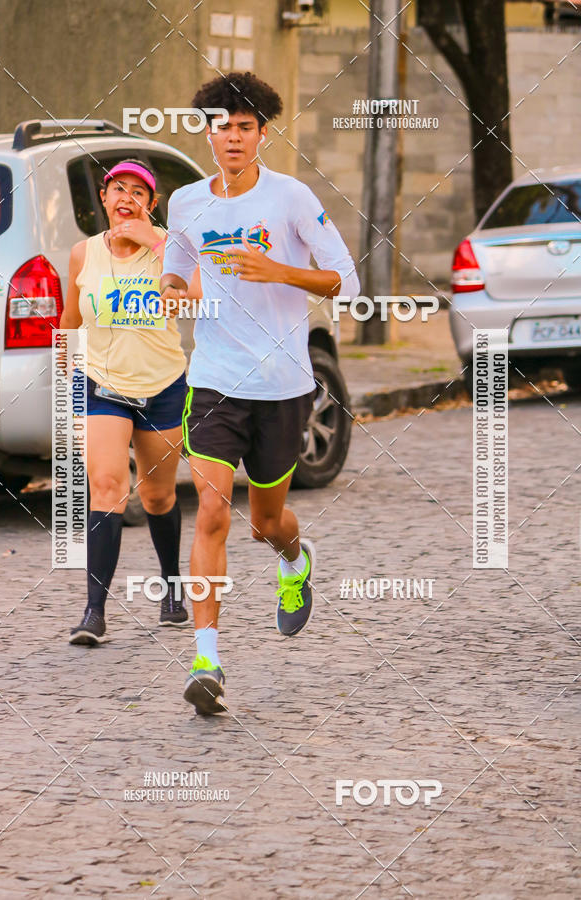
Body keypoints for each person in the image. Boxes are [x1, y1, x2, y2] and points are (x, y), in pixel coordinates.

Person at [160, 72, 360, 714]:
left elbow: (347, 280)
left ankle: (295, 561)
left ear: (262, 134)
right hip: (214, 380)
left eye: (245, 127)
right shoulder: (186, 202)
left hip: (282, 385)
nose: (233, 137)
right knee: (211, 512)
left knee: (265, 524)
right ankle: (206, 660)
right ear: (209, 134)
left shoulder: (291, 198)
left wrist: (280, 271)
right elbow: (178, 265)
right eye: (223, 127)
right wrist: (171, 289)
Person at [60, 159, 189, 645]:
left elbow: (198, 291)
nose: (127, 198)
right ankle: (93, 612)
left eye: (139, 192)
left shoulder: (170, 249)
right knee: (108, 487)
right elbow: (70, 319)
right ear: (104, 198)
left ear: (152, 204)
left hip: (162, 385)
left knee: (158, 496)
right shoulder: (83, 254)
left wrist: (155, 242)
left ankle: (172, 588)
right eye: (118, 189)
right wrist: (65, 369)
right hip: (102, 384)